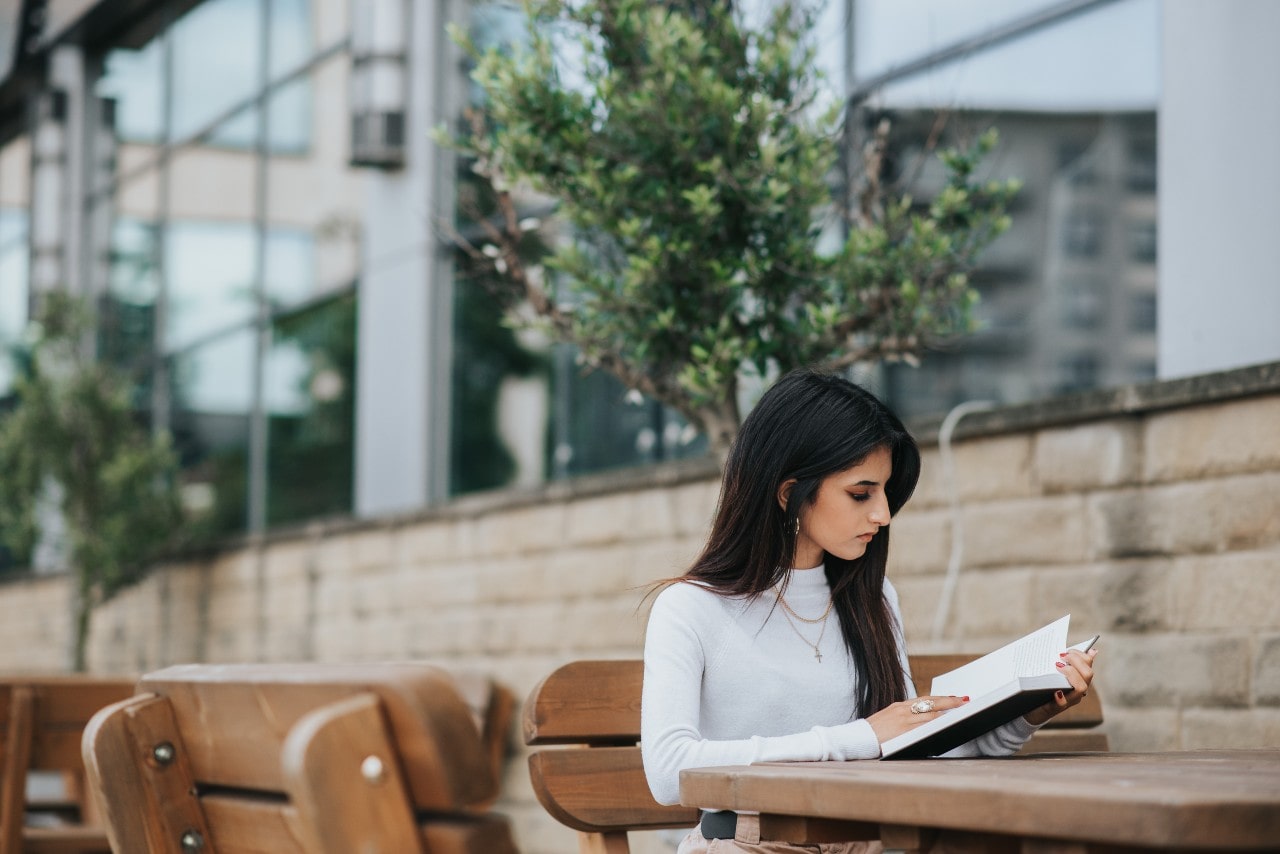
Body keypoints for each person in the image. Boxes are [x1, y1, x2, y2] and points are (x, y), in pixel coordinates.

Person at [640, 369, 1098, 854]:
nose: (882, 514)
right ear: (788, 493)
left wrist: (1025, 712)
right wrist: (860, 737)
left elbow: (907, 749)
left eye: (884, 492)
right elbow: (670, 771)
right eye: (861, 493)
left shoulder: (873, 598)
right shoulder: (691, 608)